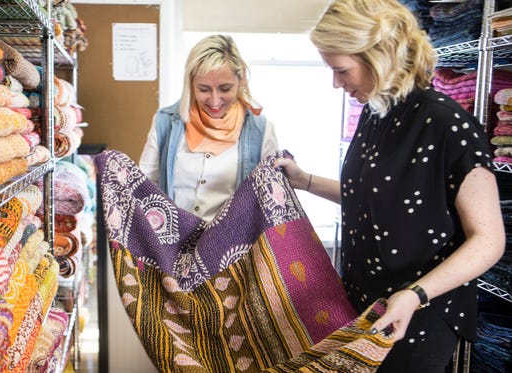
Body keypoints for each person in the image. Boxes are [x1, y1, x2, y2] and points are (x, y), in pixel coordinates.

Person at [275, 0, 505, 372]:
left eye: (342, 71)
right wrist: (305, 181)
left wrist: (415, 296)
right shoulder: (375, 115)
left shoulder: (446, 124)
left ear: (378, 56)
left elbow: (489, 240)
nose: (337, 83)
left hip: (418, 316)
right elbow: (375, 199)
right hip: (368, 305)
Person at [139, 34, 278, 222]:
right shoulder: (166, 123)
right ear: (190, 84)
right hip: (173, 245)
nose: (214, 100)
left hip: (231, 247)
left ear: (241, 80)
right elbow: (145, 186)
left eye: (225, 88)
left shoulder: (261, 132)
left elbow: (269, 201)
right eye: (203, 89)